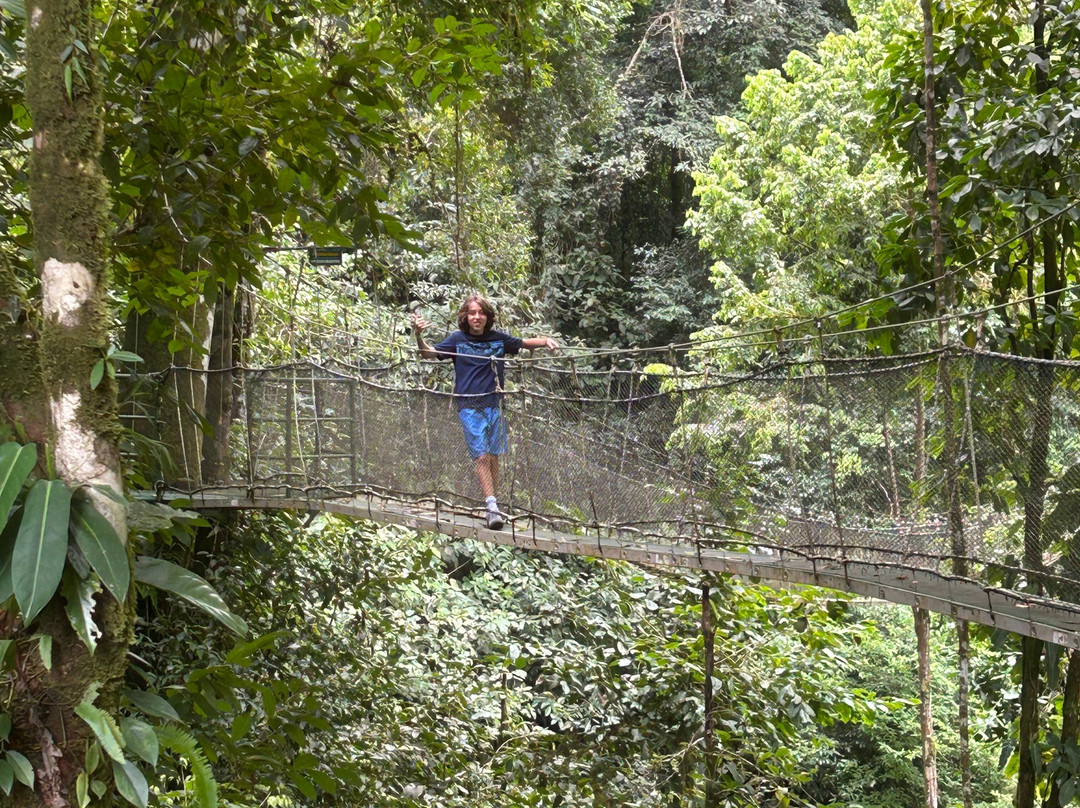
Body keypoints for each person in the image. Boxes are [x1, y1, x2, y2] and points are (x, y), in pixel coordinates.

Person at [412, 294, 559, 530]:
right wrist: (418, 335)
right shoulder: (456, 340)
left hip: (495, 404)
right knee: (481, 455)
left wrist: (545, 341)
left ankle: (494, 506)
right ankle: (491, 506)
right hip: (469, 405)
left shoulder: (498, 339)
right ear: (465, 317)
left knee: (493, 456)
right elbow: (428, 354)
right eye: (472, 313)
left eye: (481, 313)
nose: (476, 317)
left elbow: (522, 343)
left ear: (487, 317)